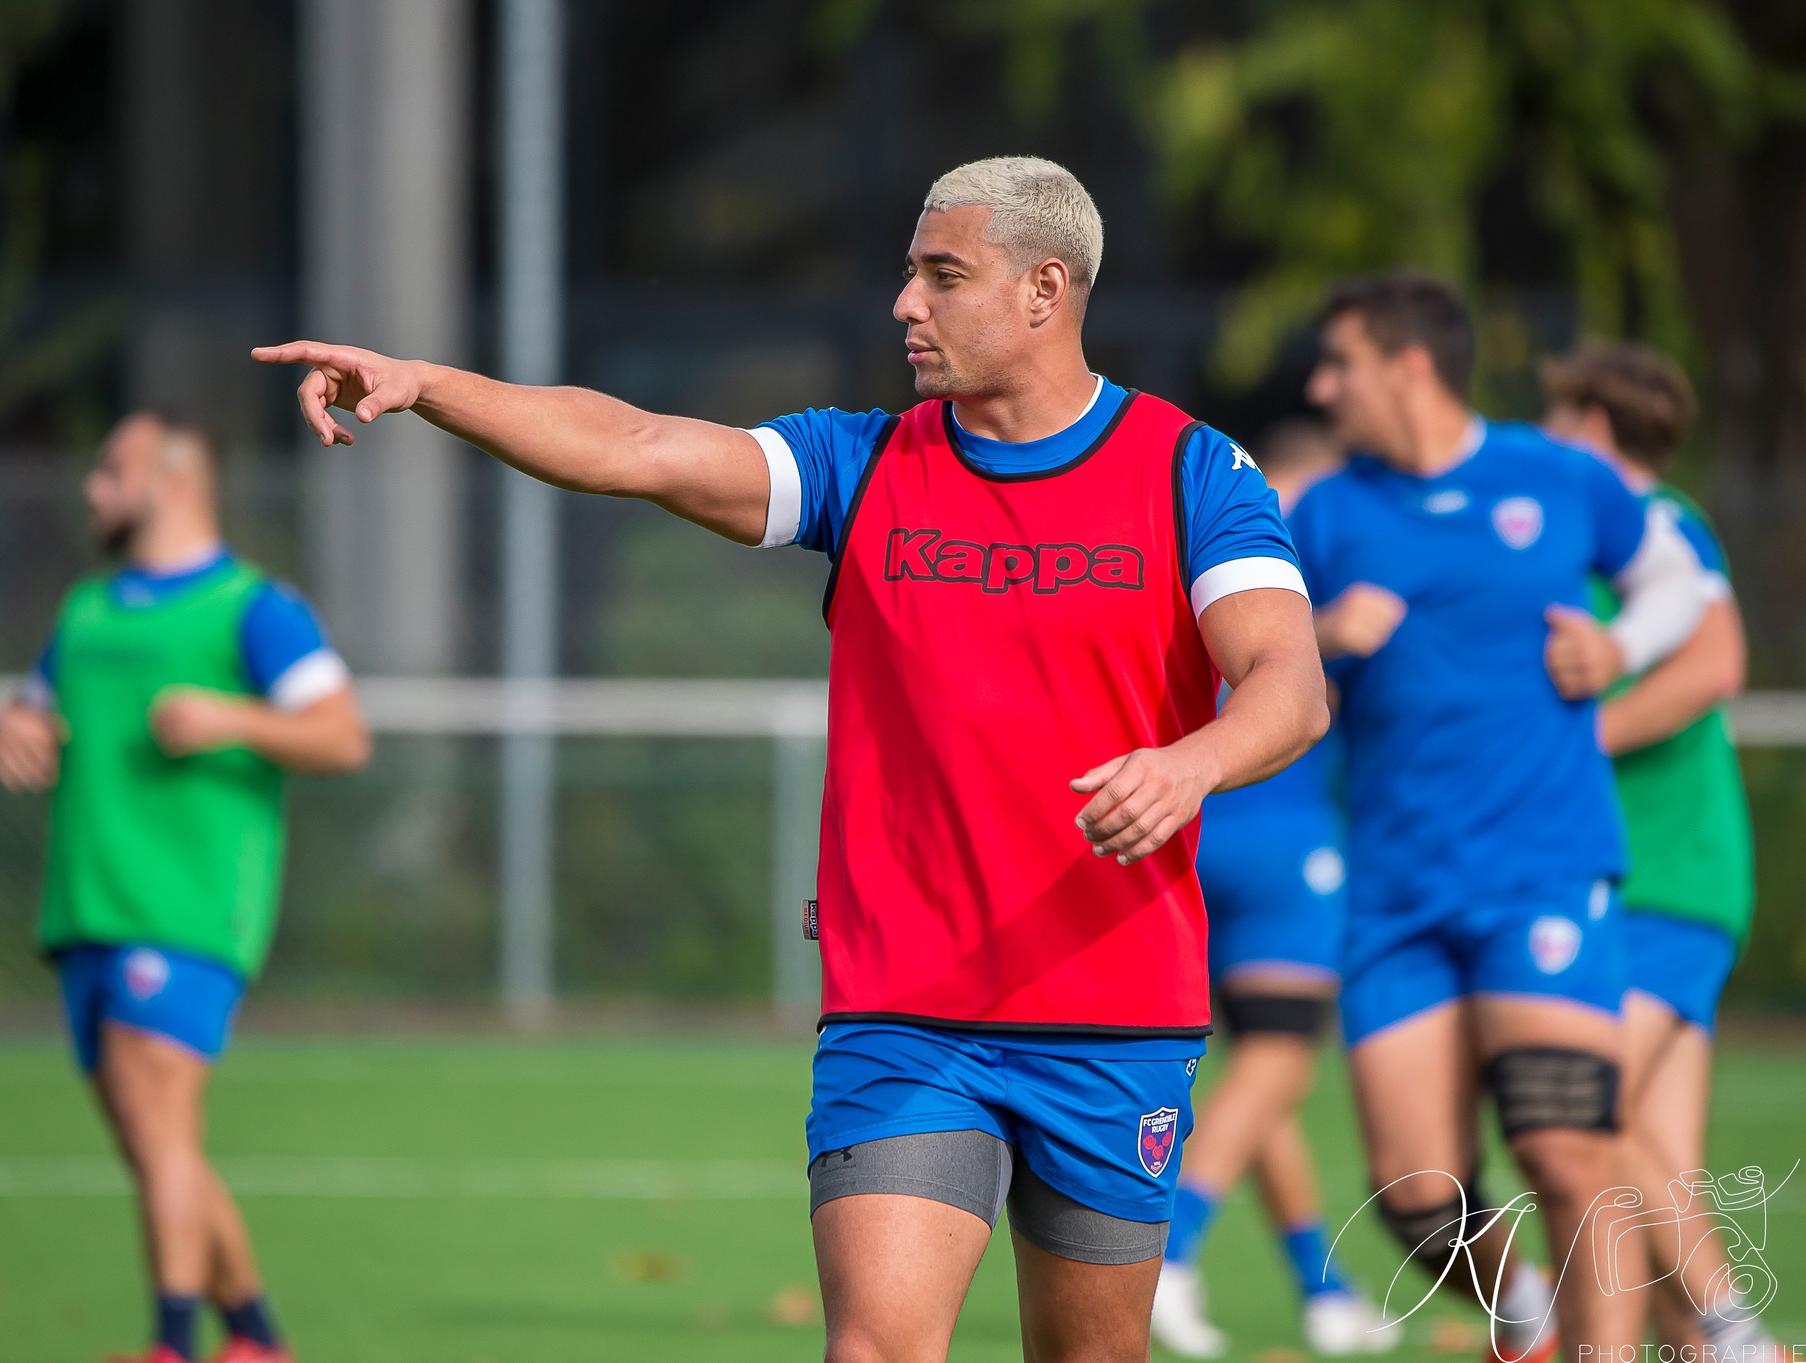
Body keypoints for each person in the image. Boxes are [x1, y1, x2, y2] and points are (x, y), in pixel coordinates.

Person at [255, 156, 1329, 1363]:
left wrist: (1189, 765)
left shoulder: (1190, 474)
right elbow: (641, 444)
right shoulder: (862, 463)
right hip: (905, 1013)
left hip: (1111, 1012)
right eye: (908, 274)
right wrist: (425, 385)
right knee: (871, 1346)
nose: (903, 305)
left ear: (1044, 290)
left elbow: (1287, 685)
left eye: (941, 276)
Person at [1289, 275, 1708, 1362]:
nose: (1319, 385)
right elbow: (1260, 668)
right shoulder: (1326, 512)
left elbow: (1679, 586)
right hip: (1394, 895)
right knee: (1412, 1192)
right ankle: (1524, 1310)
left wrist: (1620, 647)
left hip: (1541, 870)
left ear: (1408, 366)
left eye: (1340, 363)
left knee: (1564, 1149)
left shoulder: (1554, 476)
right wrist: (1322, 633)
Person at [0, 412, 372, 1363]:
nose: (92, 489)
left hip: (191, 908)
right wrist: (14, 729)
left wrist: (231, 716)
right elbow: (29, 711)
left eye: (110, 469)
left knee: (160, 1126)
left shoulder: (255, 608)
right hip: (85, 907)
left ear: (172, 480)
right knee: (156, 1144)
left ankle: (172, 1344)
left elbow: (343, 734)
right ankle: (255, 1337)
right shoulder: (86, 610)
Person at [1540, 342, 1771, 1357]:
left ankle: (1733, 1338)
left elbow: (1715, 662)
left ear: (1592, 424)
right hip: (1638, 877)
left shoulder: (1661, 524)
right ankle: (1686, 1344)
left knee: (1589, 1117)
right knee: (1655, 1154)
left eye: (1555, 418)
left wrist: (1574, 742)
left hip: (1664, 875)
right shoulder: (1589, 540)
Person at [1152, 419, 1399, 1358]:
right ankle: (1170, 1254)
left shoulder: (1190, 518)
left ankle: (1322, 1288)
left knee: (1261, 1078)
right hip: (1286, 837)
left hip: (1191, 822)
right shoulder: (1316, 543)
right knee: (1279, 1061)